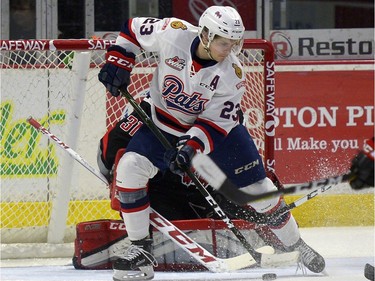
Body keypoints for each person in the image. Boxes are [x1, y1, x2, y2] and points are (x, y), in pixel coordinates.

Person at [98, 6, 325, 280]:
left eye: (234, 43)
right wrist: (119, 59)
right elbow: (132, 29)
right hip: (163, 122)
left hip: (221, 135)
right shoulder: (173, 33)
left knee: (260, 190)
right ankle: (141, 252)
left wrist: (190, 148)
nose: (228, 49)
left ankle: (296, 245)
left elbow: (215, 124)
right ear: (205, 34)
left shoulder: (233, 72)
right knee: (129, 167)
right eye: (223, 42)